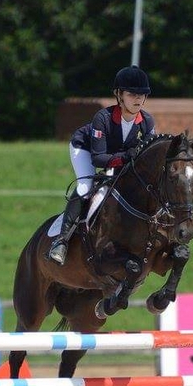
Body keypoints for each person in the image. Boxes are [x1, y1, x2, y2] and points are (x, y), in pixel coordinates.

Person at [48, 65, 156, 265]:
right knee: (85, 186)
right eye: (132, 94)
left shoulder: (147, 122)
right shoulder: (103, 118)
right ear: (119, 94)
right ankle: (61, 242)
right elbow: (98, 158)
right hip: (85, 149)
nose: (138, 99)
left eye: (142, 94)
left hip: (116, 157)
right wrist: (126, 157)